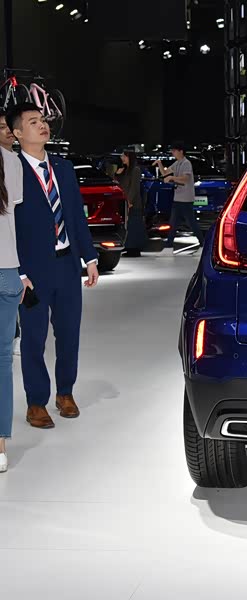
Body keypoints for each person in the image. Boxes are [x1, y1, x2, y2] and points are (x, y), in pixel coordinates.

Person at [6, 103, 99, 429]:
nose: (42, 125)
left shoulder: (63, 167)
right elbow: (7, 226)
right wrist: (18, 272)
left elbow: (75, 216)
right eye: (33, 121)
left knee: (69, 333)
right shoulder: (11, 170)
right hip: (32, 271)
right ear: (18, 133)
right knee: (33, 338)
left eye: (43, 120)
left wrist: (90, 258)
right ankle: (36, 402)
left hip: (67, 266)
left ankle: (65, 393)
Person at [0, 115, 25, 472]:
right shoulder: (13, 161)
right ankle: (0, 447)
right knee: (2, 361)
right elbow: (15, 213)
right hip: (7, 268)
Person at [153, 142, 204, 249]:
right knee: (174, 221)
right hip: (178, 197)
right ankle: (169, 242)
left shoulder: (186, 163)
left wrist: (172, 178)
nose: (173, 153)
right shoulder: (177, 163)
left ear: (181, 151)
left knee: (191, 222)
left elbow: (185, 179)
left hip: (186, 198)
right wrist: (159, 164)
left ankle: (202, 241)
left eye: (174, 151)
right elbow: (165, 173)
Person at [115, 151, 146, 257]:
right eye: (122, 156)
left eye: (124, 156)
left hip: (133, 203)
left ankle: (134, 249)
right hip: (124, 202)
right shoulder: (124, 170)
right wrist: (117, 174)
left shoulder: (135, 170)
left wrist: (129, 201)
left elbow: (134, 188)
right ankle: (128, 247)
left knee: (134, 226)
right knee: (128, 226)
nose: (122, 158)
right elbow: (118, 184)